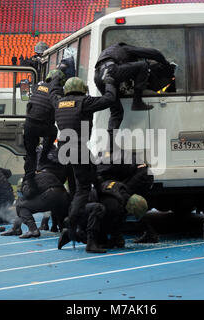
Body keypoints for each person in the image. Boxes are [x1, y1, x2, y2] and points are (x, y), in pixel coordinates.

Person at [48, 72, 117, 245]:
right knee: (83, 188)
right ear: (81, 90)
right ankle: (70, 225)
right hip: (79, 148)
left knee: (93, 175)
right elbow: (109, 99)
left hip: (64, 149)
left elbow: (52, 92)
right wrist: (109, 81)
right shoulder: (84, 102)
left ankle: (100, 201)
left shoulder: (58, 102)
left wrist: (56, 79)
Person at [22, 69, 65, 185]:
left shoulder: (37, 86)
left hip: (29, 124)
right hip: (43, 125)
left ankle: (28, 180)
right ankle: (43, 157)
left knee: (30, 154)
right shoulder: (58, 91)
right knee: (53, 132)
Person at [1, 169, 70, 238]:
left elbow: (28, 195)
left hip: (50, 197)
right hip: (64, 198)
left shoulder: (29, 178)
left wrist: (23, 190)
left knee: (20, 205)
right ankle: (64, 228)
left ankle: (32, 230)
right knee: (56, 208)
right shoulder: (49, 173)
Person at [35, 144, 76, 231]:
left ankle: (50, 224)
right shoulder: (62, 153)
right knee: (57, 202)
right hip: (60, 182)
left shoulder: (40, 150)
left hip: (50, 181)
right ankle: (57, 225)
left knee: (51, 201)